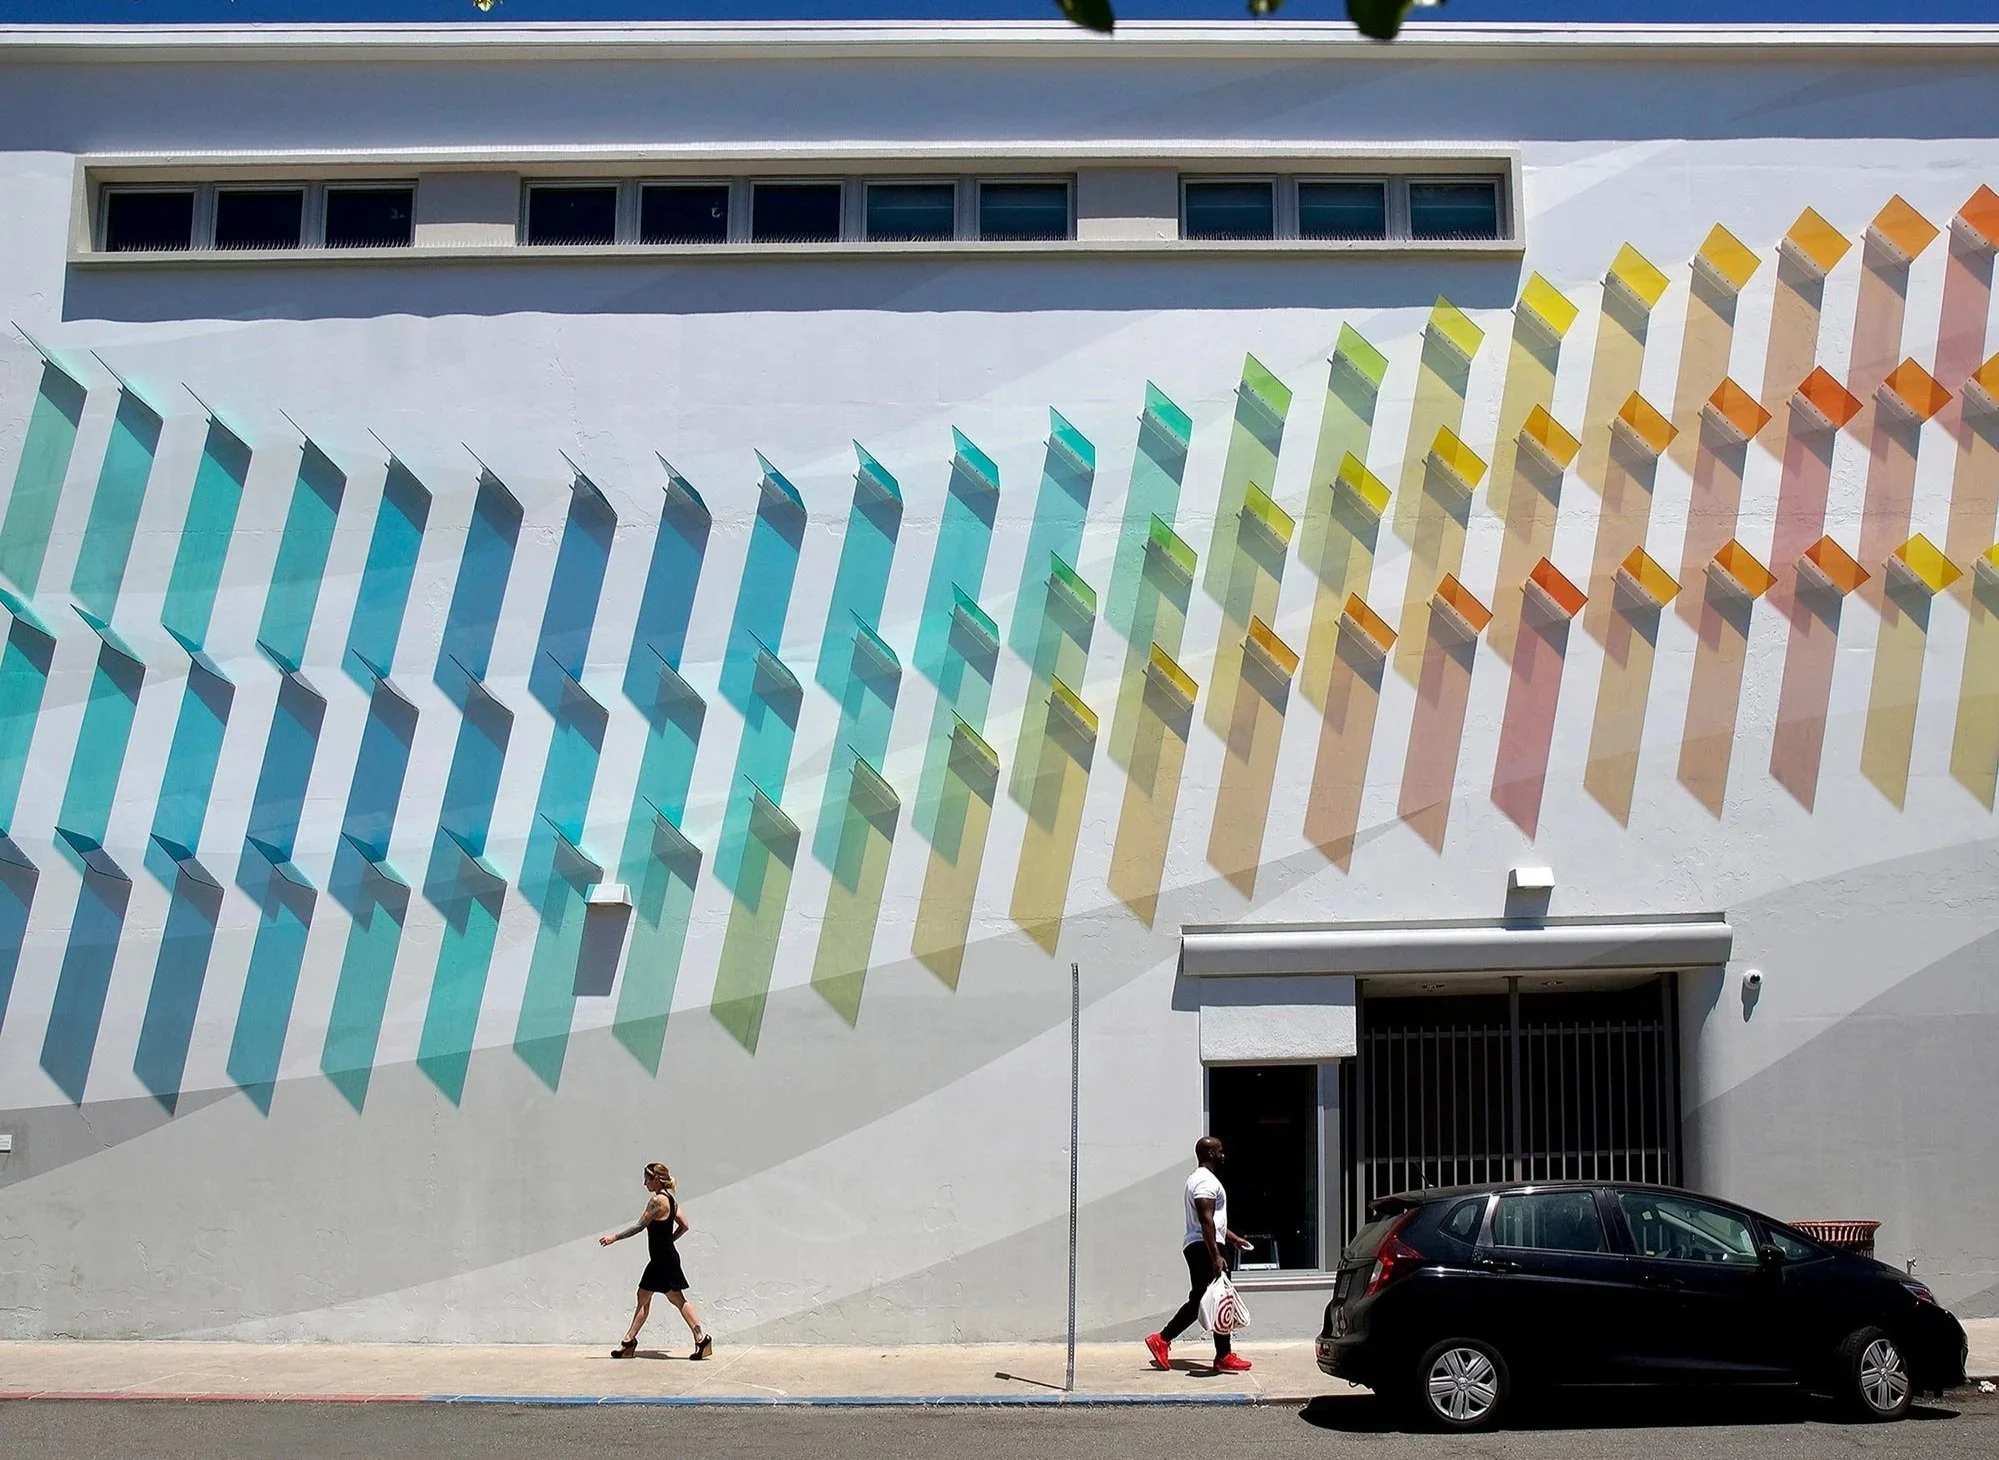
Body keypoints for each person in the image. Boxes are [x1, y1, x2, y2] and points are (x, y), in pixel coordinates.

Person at [1145, 1135, 1253, 1374]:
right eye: (1220, 1151)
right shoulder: (1205, 1181)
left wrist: (1232, 1239)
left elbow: (1210, 1220)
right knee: (1214, 1298)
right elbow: (1205, 1220)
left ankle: (1221, 1354)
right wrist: (1216, 1255)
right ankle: (1163, 1339)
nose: (1224, 1155)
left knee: (1209, 1299)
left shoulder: (1200, 1179)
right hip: (1206, 1247)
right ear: (1211, 1154)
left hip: (1204, 1244)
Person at [599, 1161, 713, 1360]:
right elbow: (684, 1225)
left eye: (646, 1179)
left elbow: (639, 1226)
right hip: (663, 1257)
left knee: (676, 1299)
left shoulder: (657, 1201)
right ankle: (628, 1341)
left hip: (663, 1259)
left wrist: (614, 1237)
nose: (645, 1184)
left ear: (656, 1179)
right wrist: (669, 1241)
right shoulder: (671, 1200)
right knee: (643, 1295)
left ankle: (701, 1339)